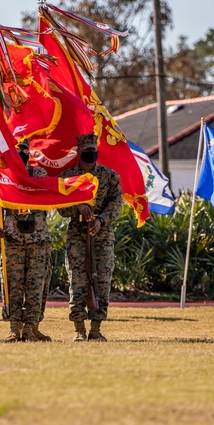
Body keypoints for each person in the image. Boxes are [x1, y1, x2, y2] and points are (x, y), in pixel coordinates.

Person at [57, 134, 123, 341]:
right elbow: (60, 205)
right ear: (79, 151)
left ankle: (96, 329)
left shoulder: (109, 176)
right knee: (77, 282)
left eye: (94, 148)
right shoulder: (68, 176)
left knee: (102, 282)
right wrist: (78, 207)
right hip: (77, 236)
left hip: (102, 237)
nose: (91, 152)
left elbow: (116, 204)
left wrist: (100, 220)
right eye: (87, 149)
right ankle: (79, 330)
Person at [0, 139, 52, 342]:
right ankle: (14, 328)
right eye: (16, 150)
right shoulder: (0, 176)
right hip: (12, 237)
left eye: (24, 150)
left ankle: (31, 327)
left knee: (36, 285)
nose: (21, 153)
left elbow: (42, 193)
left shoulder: (38, 173)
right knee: (11, 284)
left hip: (37, 237)